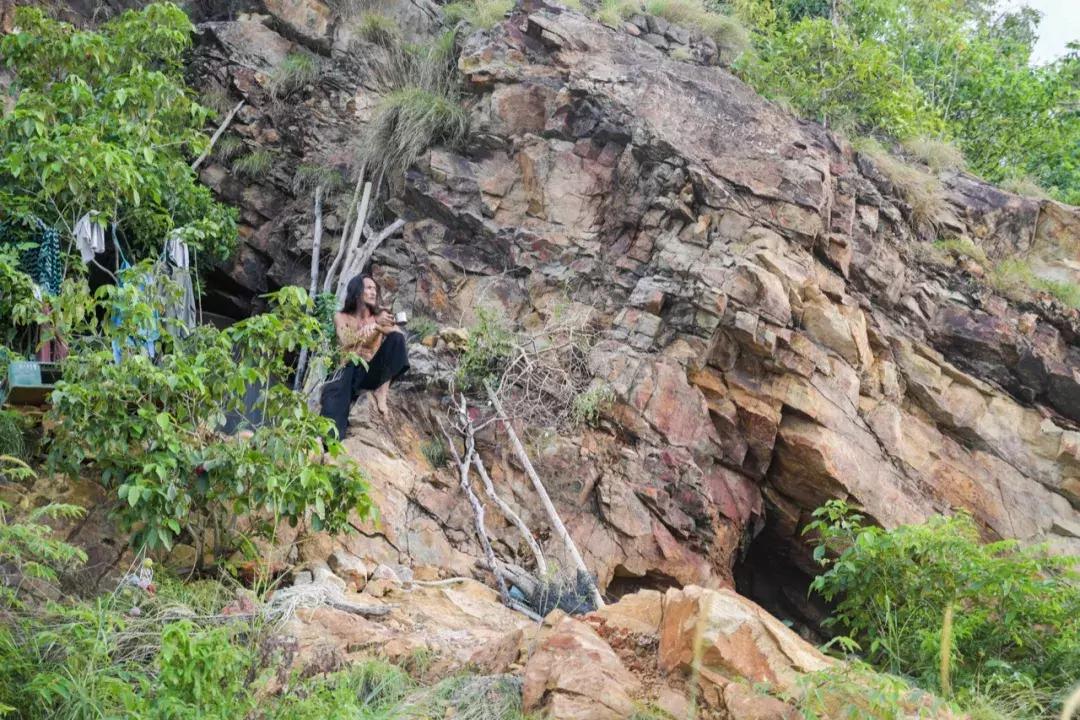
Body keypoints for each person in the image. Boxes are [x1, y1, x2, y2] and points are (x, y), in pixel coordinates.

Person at [321, 274, 409, 438]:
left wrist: (378, 326)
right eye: (369, 288)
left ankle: (382, 392)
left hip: (369, 375)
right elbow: (346, 340)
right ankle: (330, 440)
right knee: (334, 392)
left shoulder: (379, 316)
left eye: (375, 289)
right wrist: (369, 329)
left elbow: (397, 336)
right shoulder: (341, 317)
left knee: (397, 339)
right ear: (356, 291)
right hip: (347, 373)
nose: (373, 292)